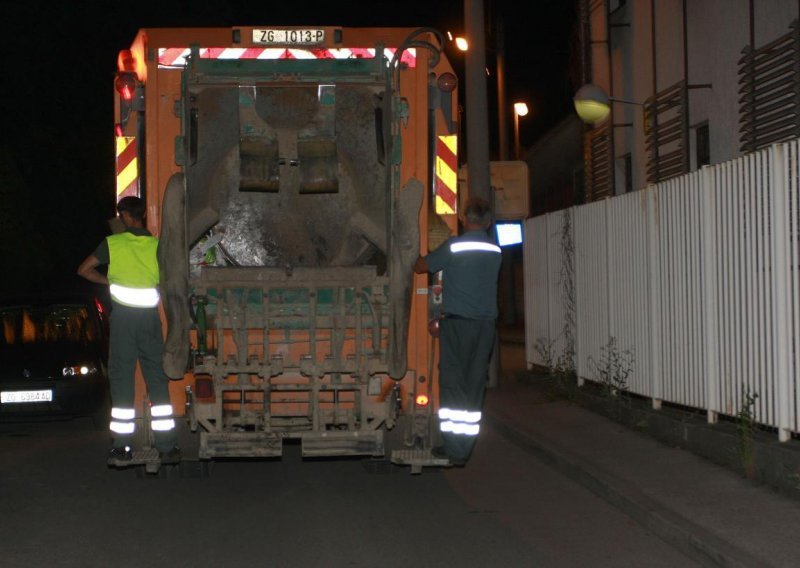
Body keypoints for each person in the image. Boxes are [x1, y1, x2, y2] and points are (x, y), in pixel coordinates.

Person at [77, 196, 180, 465]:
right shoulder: (157, 246)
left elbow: (83, 270)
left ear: (122, 215)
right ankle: (167, 446)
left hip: (123, 320)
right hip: (149, 321)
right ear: (144, 214)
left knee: (122, 379)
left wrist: (109, 281)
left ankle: (121, 447)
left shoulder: (112, 244)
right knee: (157, 378)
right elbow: (170, 281)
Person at [413, 197, 502, 466]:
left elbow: (422, 267)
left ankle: (454, 449)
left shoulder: (454, 246)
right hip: (485, 327)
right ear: (489, 222)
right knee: (474, 385)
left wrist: (411, 252)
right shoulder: (495, 250)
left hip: (458, 326)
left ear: (464, 218)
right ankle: (464, 449)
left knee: (453, 385)